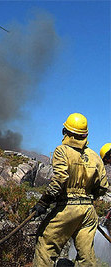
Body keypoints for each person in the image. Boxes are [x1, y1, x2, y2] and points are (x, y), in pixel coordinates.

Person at [32, 113, 110, 266]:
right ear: (85, 134)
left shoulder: (62, 151)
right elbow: (103, 187)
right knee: (86, 257)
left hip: (67, 208)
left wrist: (44, 202)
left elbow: (60, 179)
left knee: (45, 245)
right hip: (88, 212)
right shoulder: (94, 156)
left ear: (66, 132)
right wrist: (87, 197)